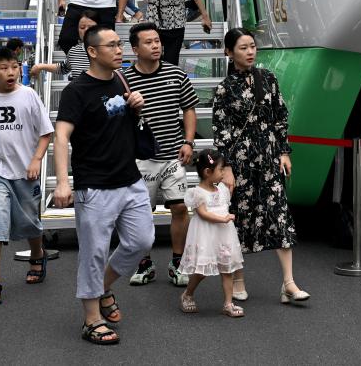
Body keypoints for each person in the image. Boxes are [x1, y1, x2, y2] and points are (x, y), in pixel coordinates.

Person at [52, 25, 154, 346]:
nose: (120, 50)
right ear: (93, 52)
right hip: (94, 185)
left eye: (120, 44)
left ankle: (103, 287)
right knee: (93, 253)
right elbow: (61, 136)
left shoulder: (122, 79)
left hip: (130, 179)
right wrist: (63, 182)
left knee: (141, 241)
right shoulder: (76, 90)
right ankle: (92, 319)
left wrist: (136, 106)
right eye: (111, 45)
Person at [213, 28, 309, 304]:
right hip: (239, 162)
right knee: (238, 219)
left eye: (252, 46)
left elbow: (280, 115)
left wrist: (284, 152)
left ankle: (289, 283)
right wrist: (226, 167)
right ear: (229, 52)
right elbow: (221, 130)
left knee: (279, 215)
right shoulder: (224, 88)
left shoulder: (268, 78)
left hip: (268, 158)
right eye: (243, 48)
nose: (250, 52)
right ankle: (238, 279)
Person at [0, 47, 54, 305]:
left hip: (25, 170)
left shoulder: (28, 95)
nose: (10, 72)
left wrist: (36, 159)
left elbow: (46, 132)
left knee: (28, 221)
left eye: (14, 67)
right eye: (4, 68)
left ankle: (37, 254)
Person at [121, 22, 200, 287]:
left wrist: (188, 142)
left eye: (157, 41)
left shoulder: (176, 74)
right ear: (135, 49)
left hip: (173, 155)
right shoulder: (124, 79)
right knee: (142, 213)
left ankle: (178, 262)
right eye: (148, 42)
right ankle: (144, 263)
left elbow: (189, 109)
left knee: (179, 207)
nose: (156, 46)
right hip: (140, 158)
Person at [178, 149, 245, 317]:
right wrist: (223, 219)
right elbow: (203, 214)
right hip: (206, 235)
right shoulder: (198, 193)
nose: (223, 173)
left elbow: (223, 205)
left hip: (223, 235)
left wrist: (224, 218)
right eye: (221, 170)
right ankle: (188, 294)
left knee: (227, 268)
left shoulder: (222, 189)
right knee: (201, 271)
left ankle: (228, 304)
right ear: (208, 172)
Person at [30, 11, 95, 82]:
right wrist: (41, 66)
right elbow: (63, 68)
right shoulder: (74, 51)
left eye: (91, 27)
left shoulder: (104, 50)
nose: (86, 30)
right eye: (82, 27)